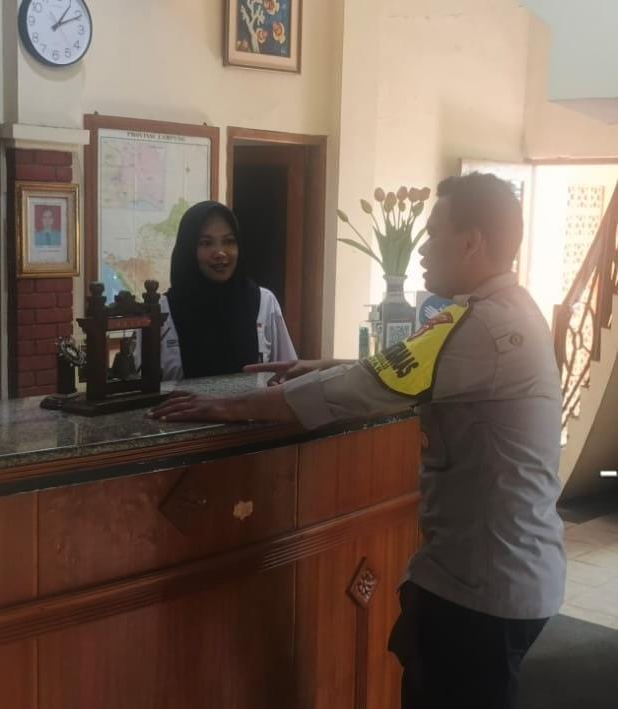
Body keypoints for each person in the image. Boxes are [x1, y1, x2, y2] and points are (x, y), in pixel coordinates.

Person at [150, 174, 564, 709]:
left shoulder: (480, 327)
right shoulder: (503, 311)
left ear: (470, 242)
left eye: (434, 233)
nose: (423, 248)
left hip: (484, 583)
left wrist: (229, 406)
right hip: (503, 572)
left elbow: (361, 390)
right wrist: (324, 365)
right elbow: (410, 368)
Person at [151, 200, 296, 380]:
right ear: (188, 249)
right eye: (206, 243)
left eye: (229, 241)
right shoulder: (161, 312)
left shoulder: (263, 302)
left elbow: (287, 376)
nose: (220, 253)